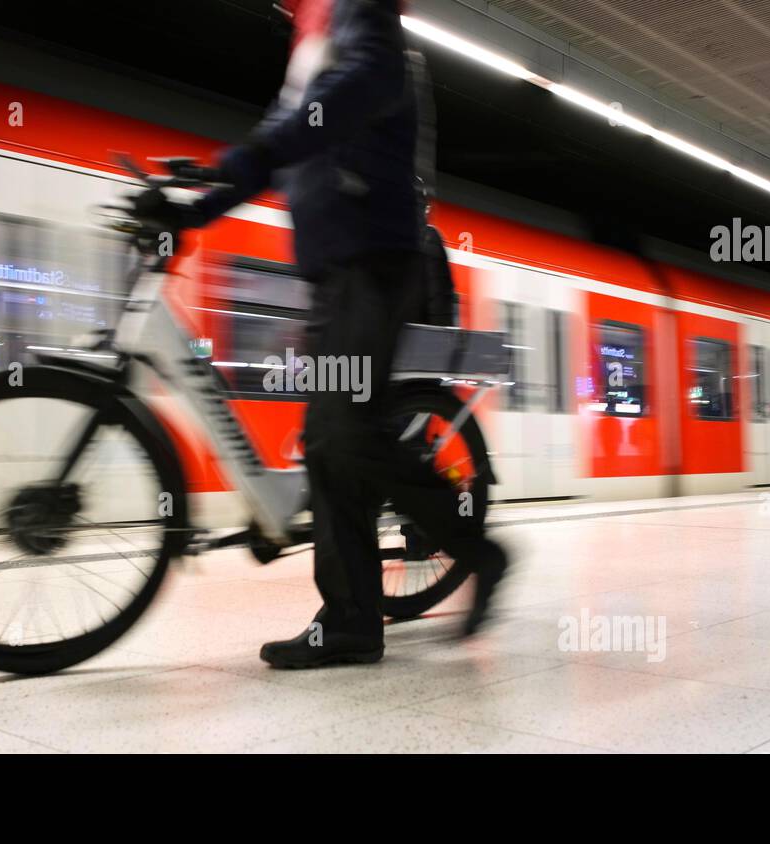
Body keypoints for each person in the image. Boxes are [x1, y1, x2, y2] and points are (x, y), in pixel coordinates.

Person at [151, 0, 507, 668]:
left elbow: (364, 86)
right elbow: (278, 152)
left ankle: (472, 555)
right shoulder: (312, 39)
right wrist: (193, 207)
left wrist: (254, 153)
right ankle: (350, 621)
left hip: (372, 262)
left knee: (344, 436)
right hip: (334, 272)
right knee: (329, 446)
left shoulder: (357, 11)